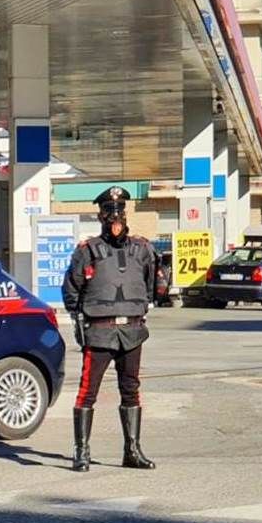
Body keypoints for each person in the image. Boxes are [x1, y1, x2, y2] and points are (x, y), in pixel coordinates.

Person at [62, 186, 157, 472]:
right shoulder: (87, 251)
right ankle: (82, 451)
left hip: (132, 330)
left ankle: (132, 450)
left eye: (119, 212)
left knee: (131, 389)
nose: (115, 218)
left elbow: (150, 286)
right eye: (109, 212)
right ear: (100, 215)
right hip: (100, 330)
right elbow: (71, 290)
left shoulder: (142, 249)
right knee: (87, 391)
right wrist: (79, 319)